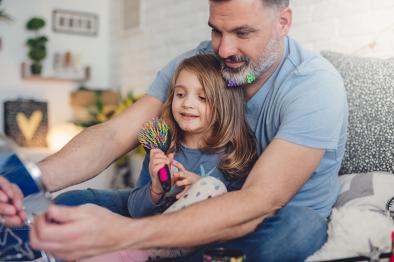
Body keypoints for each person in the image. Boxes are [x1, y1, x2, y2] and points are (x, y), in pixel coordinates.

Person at [0, 0, 348, 261]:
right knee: (73, 204)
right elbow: (115, 134)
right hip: (179, 202)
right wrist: (28, 179)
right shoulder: (201, 62)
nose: (224, 49)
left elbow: (260, 201)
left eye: (243, 33)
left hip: (265, 216)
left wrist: (126, 234)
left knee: (292, 234)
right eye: (216, 30)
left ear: (283, 22)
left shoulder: (314, 86)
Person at [81, 54, 257, 261]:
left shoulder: (235, 154)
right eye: (180, 94)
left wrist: (201, 185)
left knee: (213, 186)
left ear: (225, 103)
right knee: (87, 210)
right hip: (149, 238)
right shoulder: (163, 148)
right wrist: (155, 189)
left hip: (196, 246)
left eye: (202, 98)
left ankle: (133, 248)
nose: (187, 104)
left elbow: (242, 214)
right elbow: (136, 211)